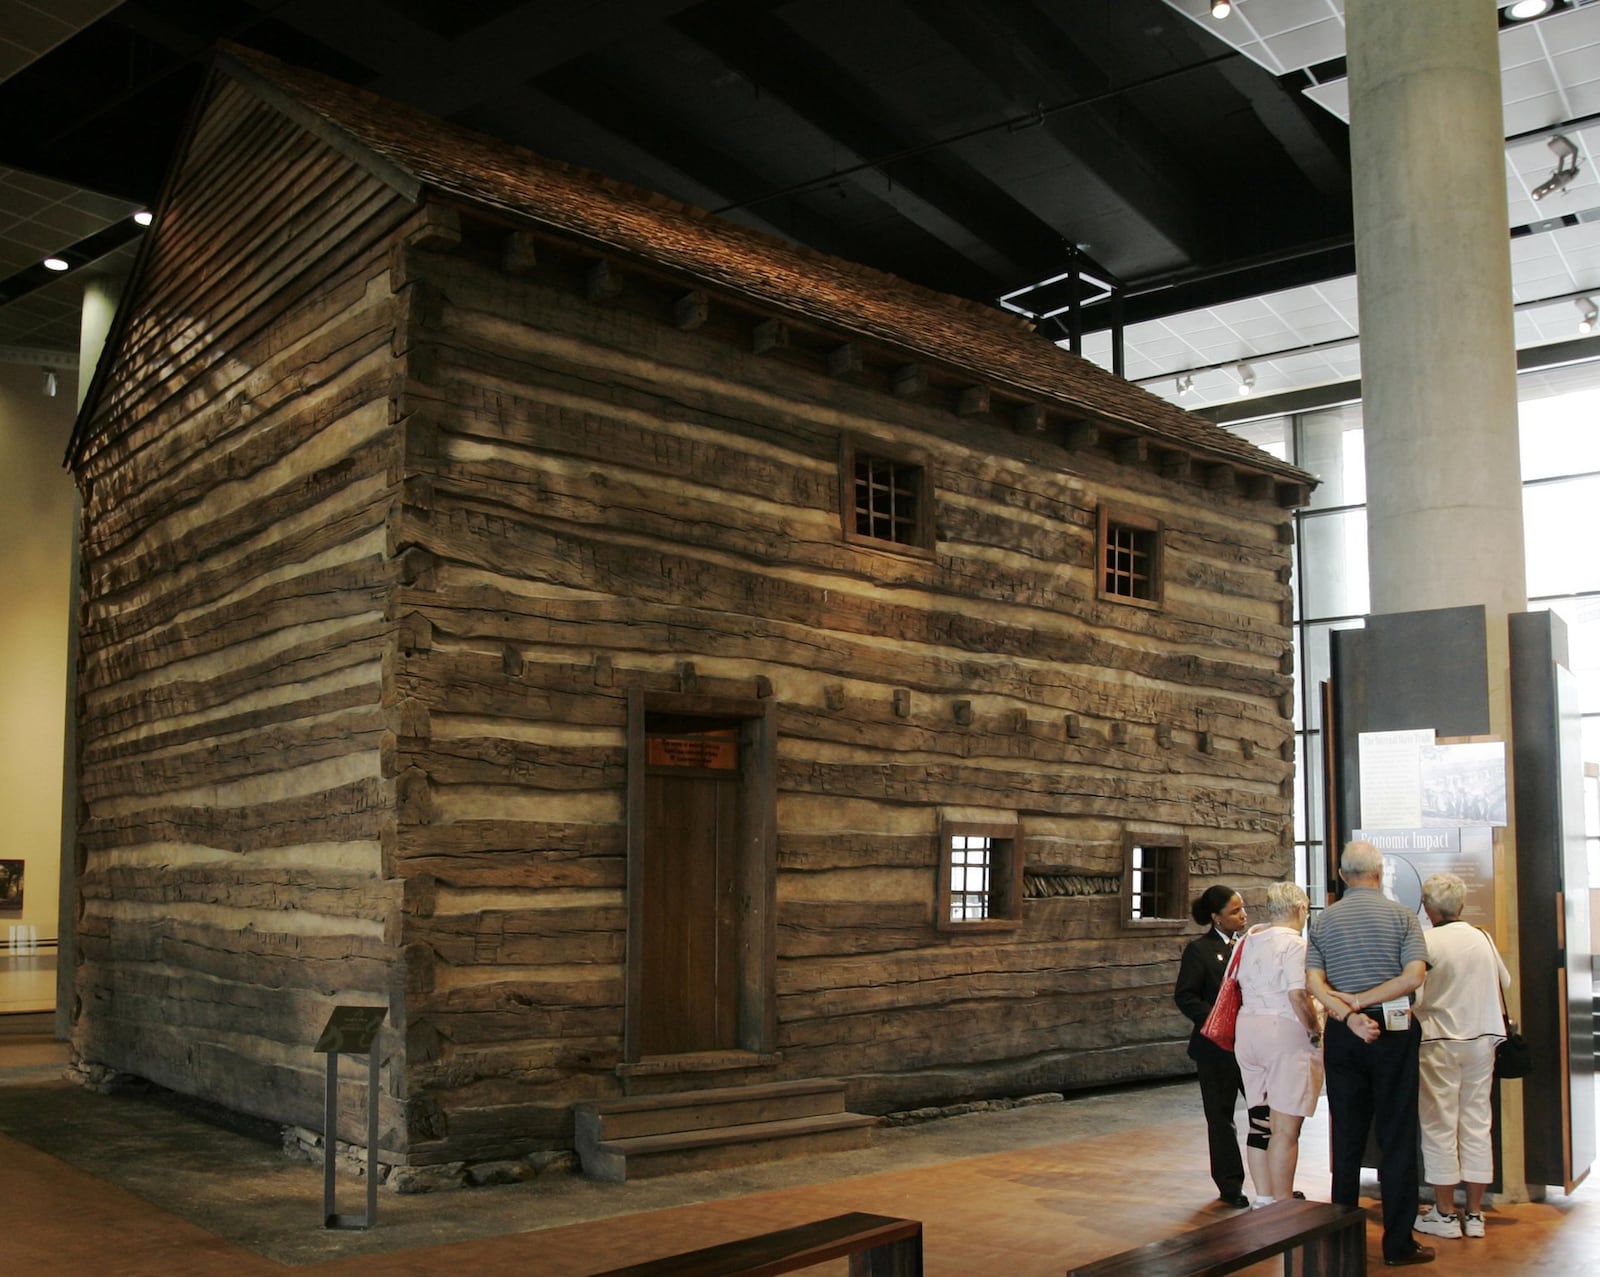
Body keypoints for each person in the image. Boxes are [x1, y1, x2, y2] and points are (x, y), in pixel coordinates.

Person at [1306, 840, 1434, 1267]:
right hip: (1393, 1032)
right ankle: (1398, 1244)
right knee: (1397, 1136)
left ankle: (1342, 1240)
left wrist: (1348, 1012)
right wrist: (1365, 1002)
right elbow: (1412, 976)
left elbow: (1315, 984)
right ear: (1380, 873)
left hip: (1344, 1034)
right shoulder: (1402, 917)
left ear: (1343, 876)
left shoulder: (1323, 922)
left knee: (1346, 1135)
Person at [1412, 872, 1510, 1241]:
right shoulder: (1482, 938)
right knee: (1476, 1121)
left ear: (1427, 907)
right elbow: (1506, 982)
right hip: (1483, 1038)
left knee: (1439, 1122)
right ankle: (1475, 1212)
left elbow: (1416, 994)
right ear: (1462, 905)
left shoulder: (1426, 939)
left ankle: (1445, 1214)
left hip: (1438, 1039)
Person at [1233, 881, 1324, 1207]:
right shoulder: (1295, 945)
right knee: (1286, 1128)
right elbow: (1297, 994)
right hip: (1282, 1030)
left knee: (1260, 1120)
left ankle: (1264, 1197)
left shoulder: (1248, 940)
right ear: (1301, 910)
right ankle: (1284, 1205)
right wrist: (1314, 1029)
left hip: (1247, 1029)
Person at [1174, 884, 1250, 1209]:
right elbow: (1185, 995)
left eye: (1243, 908)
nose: (1242, 915)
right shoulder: (1199, 950)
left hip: (1251, 1044)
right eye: (1234, 911)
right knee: (1221, 1118)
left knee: (1267, 1112)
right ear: (1216, 918)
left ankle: (1277, 1180)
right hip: (1215, 1049)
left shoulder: (1251, 945)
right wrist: (1217, 1019)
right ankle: (1230, 1184)